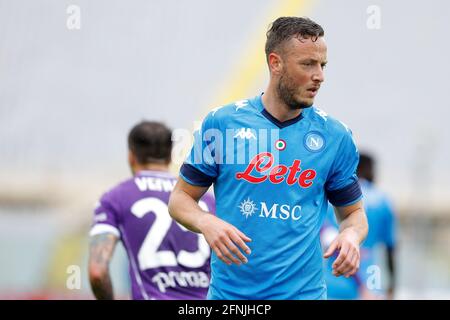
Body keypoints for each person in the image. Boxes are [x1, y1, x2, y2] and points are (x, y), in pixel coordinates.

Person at [168, 16, 368, 300]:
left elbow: (353, 214)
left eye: (322, 65)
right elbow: (180, 200)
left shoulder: (336, 137)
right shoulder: (221, 124)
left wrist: (350, 236)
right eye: (308, 64)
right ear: (276, 63)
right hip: (230, 297)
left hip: (304, 295)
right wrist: (206, 222)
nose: (319, 76)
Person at [88, 121, 215, 300]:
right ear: (170, 156)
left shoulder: (114, 198)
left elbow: (97, 272)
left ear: (131, 156)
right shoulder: (207, 200)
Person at [321, 153, 397, 300]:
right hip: (369, 276)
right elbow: (391, 248)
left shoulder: (334, 200)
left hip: (334, 278)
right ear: (372, 171)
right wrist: (392, 287)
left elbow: (328, 239)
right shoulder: (383, 200)